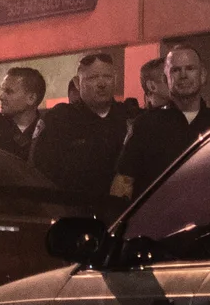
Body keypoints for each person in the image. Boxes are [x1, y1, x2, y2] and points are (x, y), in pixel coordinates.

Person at [30, 50, 139, 216]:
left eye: (107, 77)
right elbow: (39, 173)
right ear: (77, 82)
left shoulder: (131, 119)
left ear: (115, 79)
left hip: (124, 217)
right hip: (74, 217)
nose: (101, 83)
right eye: (93, 78)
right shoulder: (59, 120)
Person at [112, 44, 210, 204]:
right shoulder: (145, 125)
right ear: (165, 79)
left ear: (203, 75)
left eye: (190, 68)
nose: (183, 75)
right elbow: (123, 183)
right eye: (175, 70)